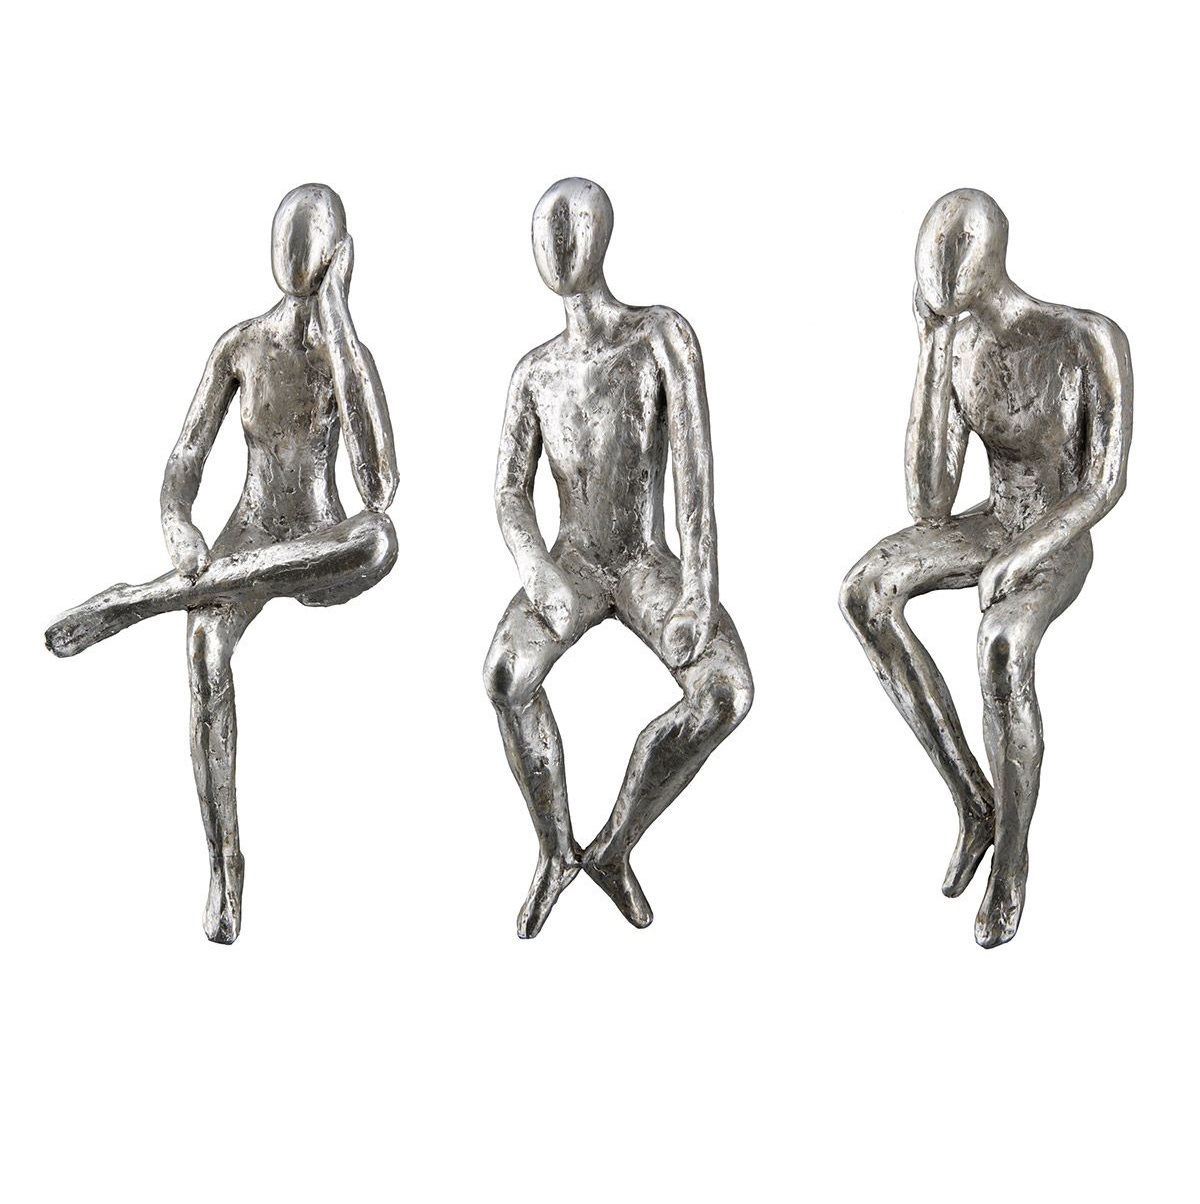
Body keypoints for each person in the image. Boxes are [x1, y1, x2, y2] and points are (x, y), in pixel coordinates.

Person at [46, 184, 398, 943]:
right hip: (251, 529)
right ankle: (224, 865)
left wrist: (339, 316)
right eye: (284, 239)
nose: (293, 255)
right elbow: (184, 456)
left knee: (379, 540)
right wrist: (178, 521)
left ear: (336, 256)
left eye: (310, 243)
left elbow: (379, 486)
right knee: (205, 650)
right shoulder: (240, 346)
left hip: (319, 536)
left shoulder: (346, 354)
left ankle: (140, 601)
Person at [840, 188, 1132, 947]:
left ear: (990, 259)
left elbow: (1103, 484)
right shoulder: (960, 345)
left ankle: (1012, 859)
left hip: (1056, 533)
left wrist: (1027, 553)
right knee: (864, 592)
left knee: (1001, 645)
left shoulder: (1086, 338)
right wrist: (931, 348)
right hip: (993, 519)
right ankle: (973, 798)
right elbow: (929, 504)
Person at [483, 178, 754, 938]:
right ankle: (553, 851)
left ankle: (614, 846)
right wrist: (536, 568)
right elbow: (508, 492)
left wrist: (699, 589)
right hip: (572, 560)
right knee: (505, 677)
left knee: (726, 691)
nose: (558, 246)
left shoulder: (659, 335)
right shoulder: (534, 372)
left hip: (642, 561)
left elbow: (695, 471)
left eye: (571, 228)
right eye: (545, 232)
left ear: (602, 238)